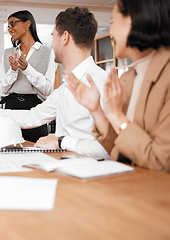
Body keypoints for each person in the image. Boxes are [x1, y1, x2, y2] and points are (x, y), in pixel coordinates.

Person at [0, 7, 110, 159]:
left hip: (89, 173)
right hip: (66, 167)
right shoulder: (65, 88)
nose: (52, 44)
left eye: (53, 37)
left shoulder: (101, 83)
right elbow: (32, 117)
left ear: (65, 37)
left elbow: (109, 148)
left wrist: (61, 142)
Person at [65, 0, 170, 172]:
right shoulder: (128, 77)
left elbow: (161, 162)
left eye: (113, 21)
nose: (110, 31)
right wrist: (96, 109)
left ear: (134, 20)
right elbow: (119, 147)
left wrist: (116, 116)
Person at [0, 10, 57, 142]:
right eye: (8, 26)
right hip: (11, 109)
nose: (10, 29)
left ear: (27, 24)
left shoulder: (48, 53)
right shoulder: (8, 53)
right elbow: (2, 89)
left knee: (38, 153)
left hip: (35, 109)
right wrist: (13, 71)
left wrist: (27, 69)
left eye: (12, 24)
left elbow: (48, 89)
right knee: (9, 152)